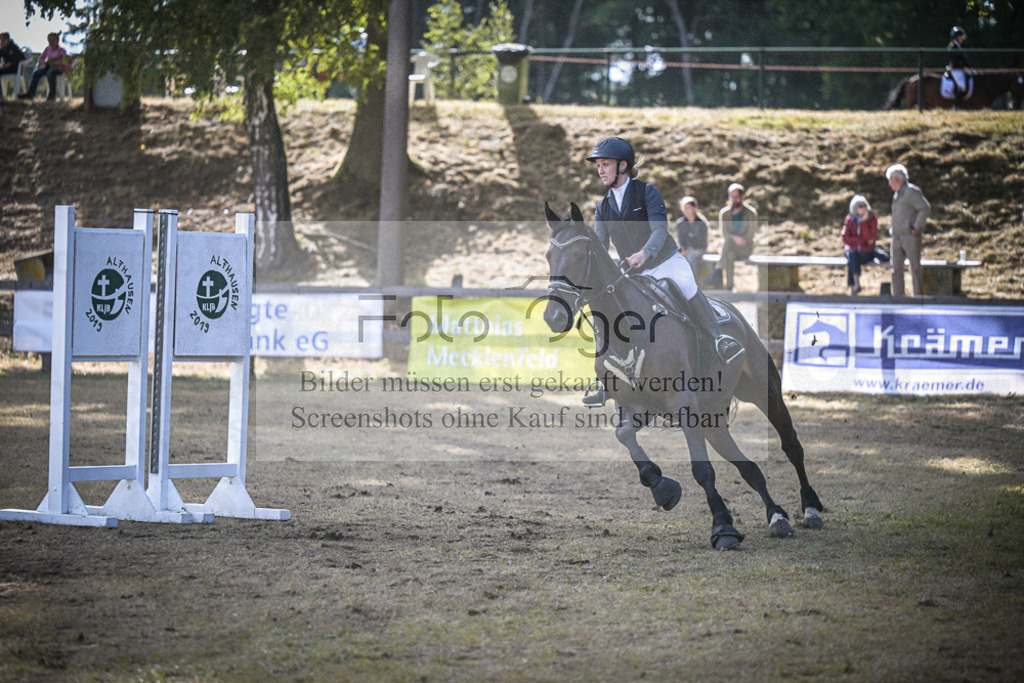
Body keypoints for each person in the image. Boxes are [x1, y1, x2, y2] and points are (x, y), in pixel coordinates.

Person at [581, 137, 743, 406]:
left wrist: (644, 253)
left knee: (686, 284)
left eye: (605, 164)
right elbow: (600, 247)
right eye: (598, 165)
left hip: (664, 261)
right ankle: (605, 377)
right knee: (610, 310)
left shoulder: (647, 192)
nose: (600, 170)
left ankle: (719, 339)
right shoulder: (602, 207)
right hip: (633, 272)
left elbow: (659, 230)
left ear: (623, 166)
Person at [886, 164, 930, 297]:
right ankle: (898, 297)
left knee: (915, 267)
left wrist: (917, 226)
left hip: (910, 236)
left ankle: (918, 296)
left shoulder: (911, 192)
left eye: (890, 180)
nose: (889, 183)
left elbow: (925, 208)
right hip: (897, 237)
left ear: (897, 179)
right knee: (896, 269)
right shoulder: (896, 195)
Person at [705, 182, 757, 291]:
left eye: (736, 197)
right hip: (729, 248)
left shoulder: (751, 213)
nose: (734, 200)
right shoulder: (724, 213)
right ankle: (729, 288)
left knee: (728, 244)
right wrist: (735, 238)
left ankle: (717, 270)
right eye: (732, 197)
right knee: (730, 255)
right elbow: (724, 233)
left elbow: (750, 235)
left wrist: (739, 240)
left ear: (742, 197)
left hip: (745, 247)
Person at [841, 195, 878, 295]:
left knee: (853, 259)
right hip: (852, 250)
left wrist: (863, 222)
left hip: (866, 251)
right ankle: (856, 284)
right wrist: (860, 241)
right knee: (853, 255)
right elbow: (845, 237)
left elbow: (870, 238)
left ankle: (853, 286)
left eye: (865, 205)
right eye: (860, 206)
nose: (864, 208)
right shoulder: (850, 219)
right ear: (855, 208)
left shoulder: (872, 218)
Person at [18, 32, 71, 101]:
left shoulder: (61, 50)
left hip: (59, 68)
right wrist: (42, 61)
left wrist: (52, 63)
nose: (51, 42)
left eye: (53, 40)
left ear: (57, 40)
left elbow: (64, 62)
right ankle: (30, 94)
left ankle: (52, 96)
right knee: (36, 73)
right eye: (49, 40)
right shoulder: (47, 49)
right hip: (48, 67)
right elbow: (41, 58)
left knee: (50, 72)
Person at [675, 195, 709, 277]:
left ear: (694, 208)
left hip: (699, 248)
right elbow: (681, 240)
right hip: (684, 249)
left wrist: (689, 250)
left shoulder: (702, 223)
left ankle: (693, 282)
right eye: (684, 208)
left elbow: (701, 241)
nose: (686, 210)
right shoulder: (680, 223)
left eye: (688, 208)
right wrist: (683, 250)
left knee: (691, 257)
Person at [947, 26, 971, 109]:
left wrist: (969, 67)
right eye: (961, 37)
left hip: (961, 68)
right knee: (962, 86)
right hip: (956, 69)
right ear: (956, 37)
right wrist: (964, 67)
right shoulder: (952, 46)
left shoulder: (958, 46)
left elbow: (963, 60)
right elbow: (955, 60)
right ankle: (957, 105)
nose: (962, 39)